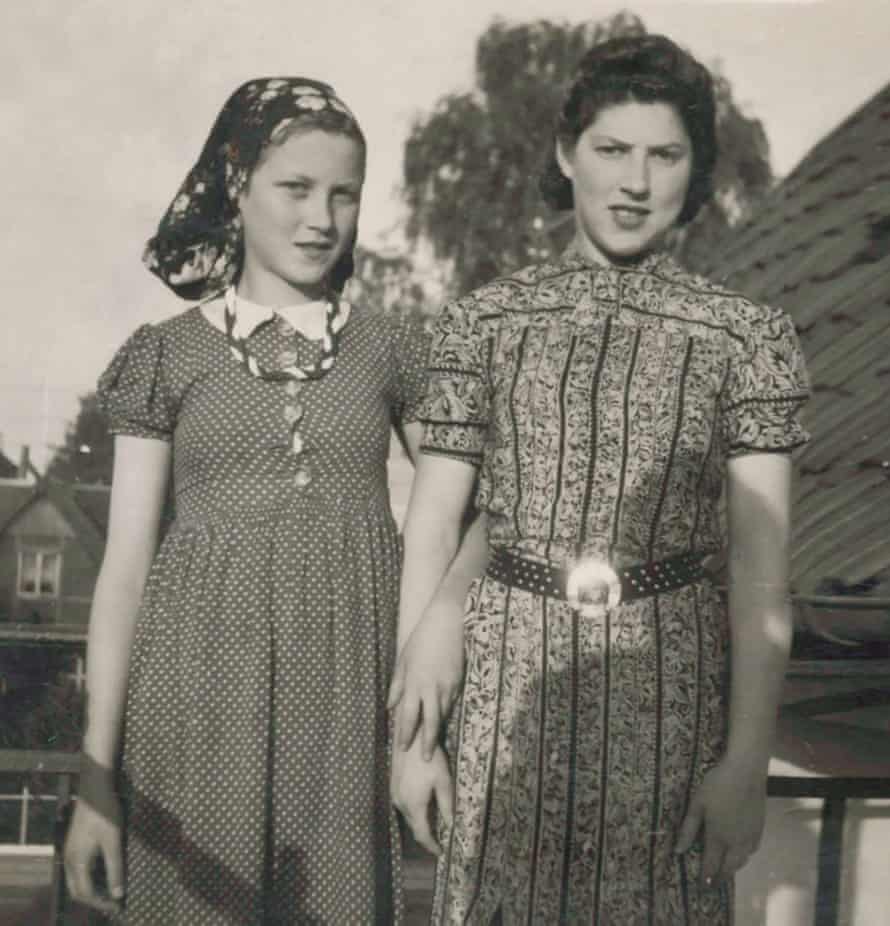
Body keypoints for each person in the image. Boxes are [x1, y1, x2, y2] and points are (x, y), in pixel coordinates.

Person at [389, 34, 811, 924]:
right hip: (506, 691)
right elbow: (436, 523)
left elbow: (763, 575)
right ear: (564, 153)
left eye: (666, 155)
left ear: (693, 171)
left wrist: (746, 762)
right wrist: (414, 741)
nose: (636, 182)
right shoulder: (484, 324)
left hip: (673, 693)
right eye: (612, 149)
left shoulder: (747, 339)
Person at [63, 77, 434, 924]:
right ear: (237, 186)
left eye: (344, 194)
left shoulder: (392, 352)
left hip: (348, 711)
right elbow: (123, 572)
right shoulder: (167, 356)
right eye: (295, 188)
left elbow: (458, 517)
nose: (321, 218)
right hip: (194, 703)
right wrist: (95, 777)